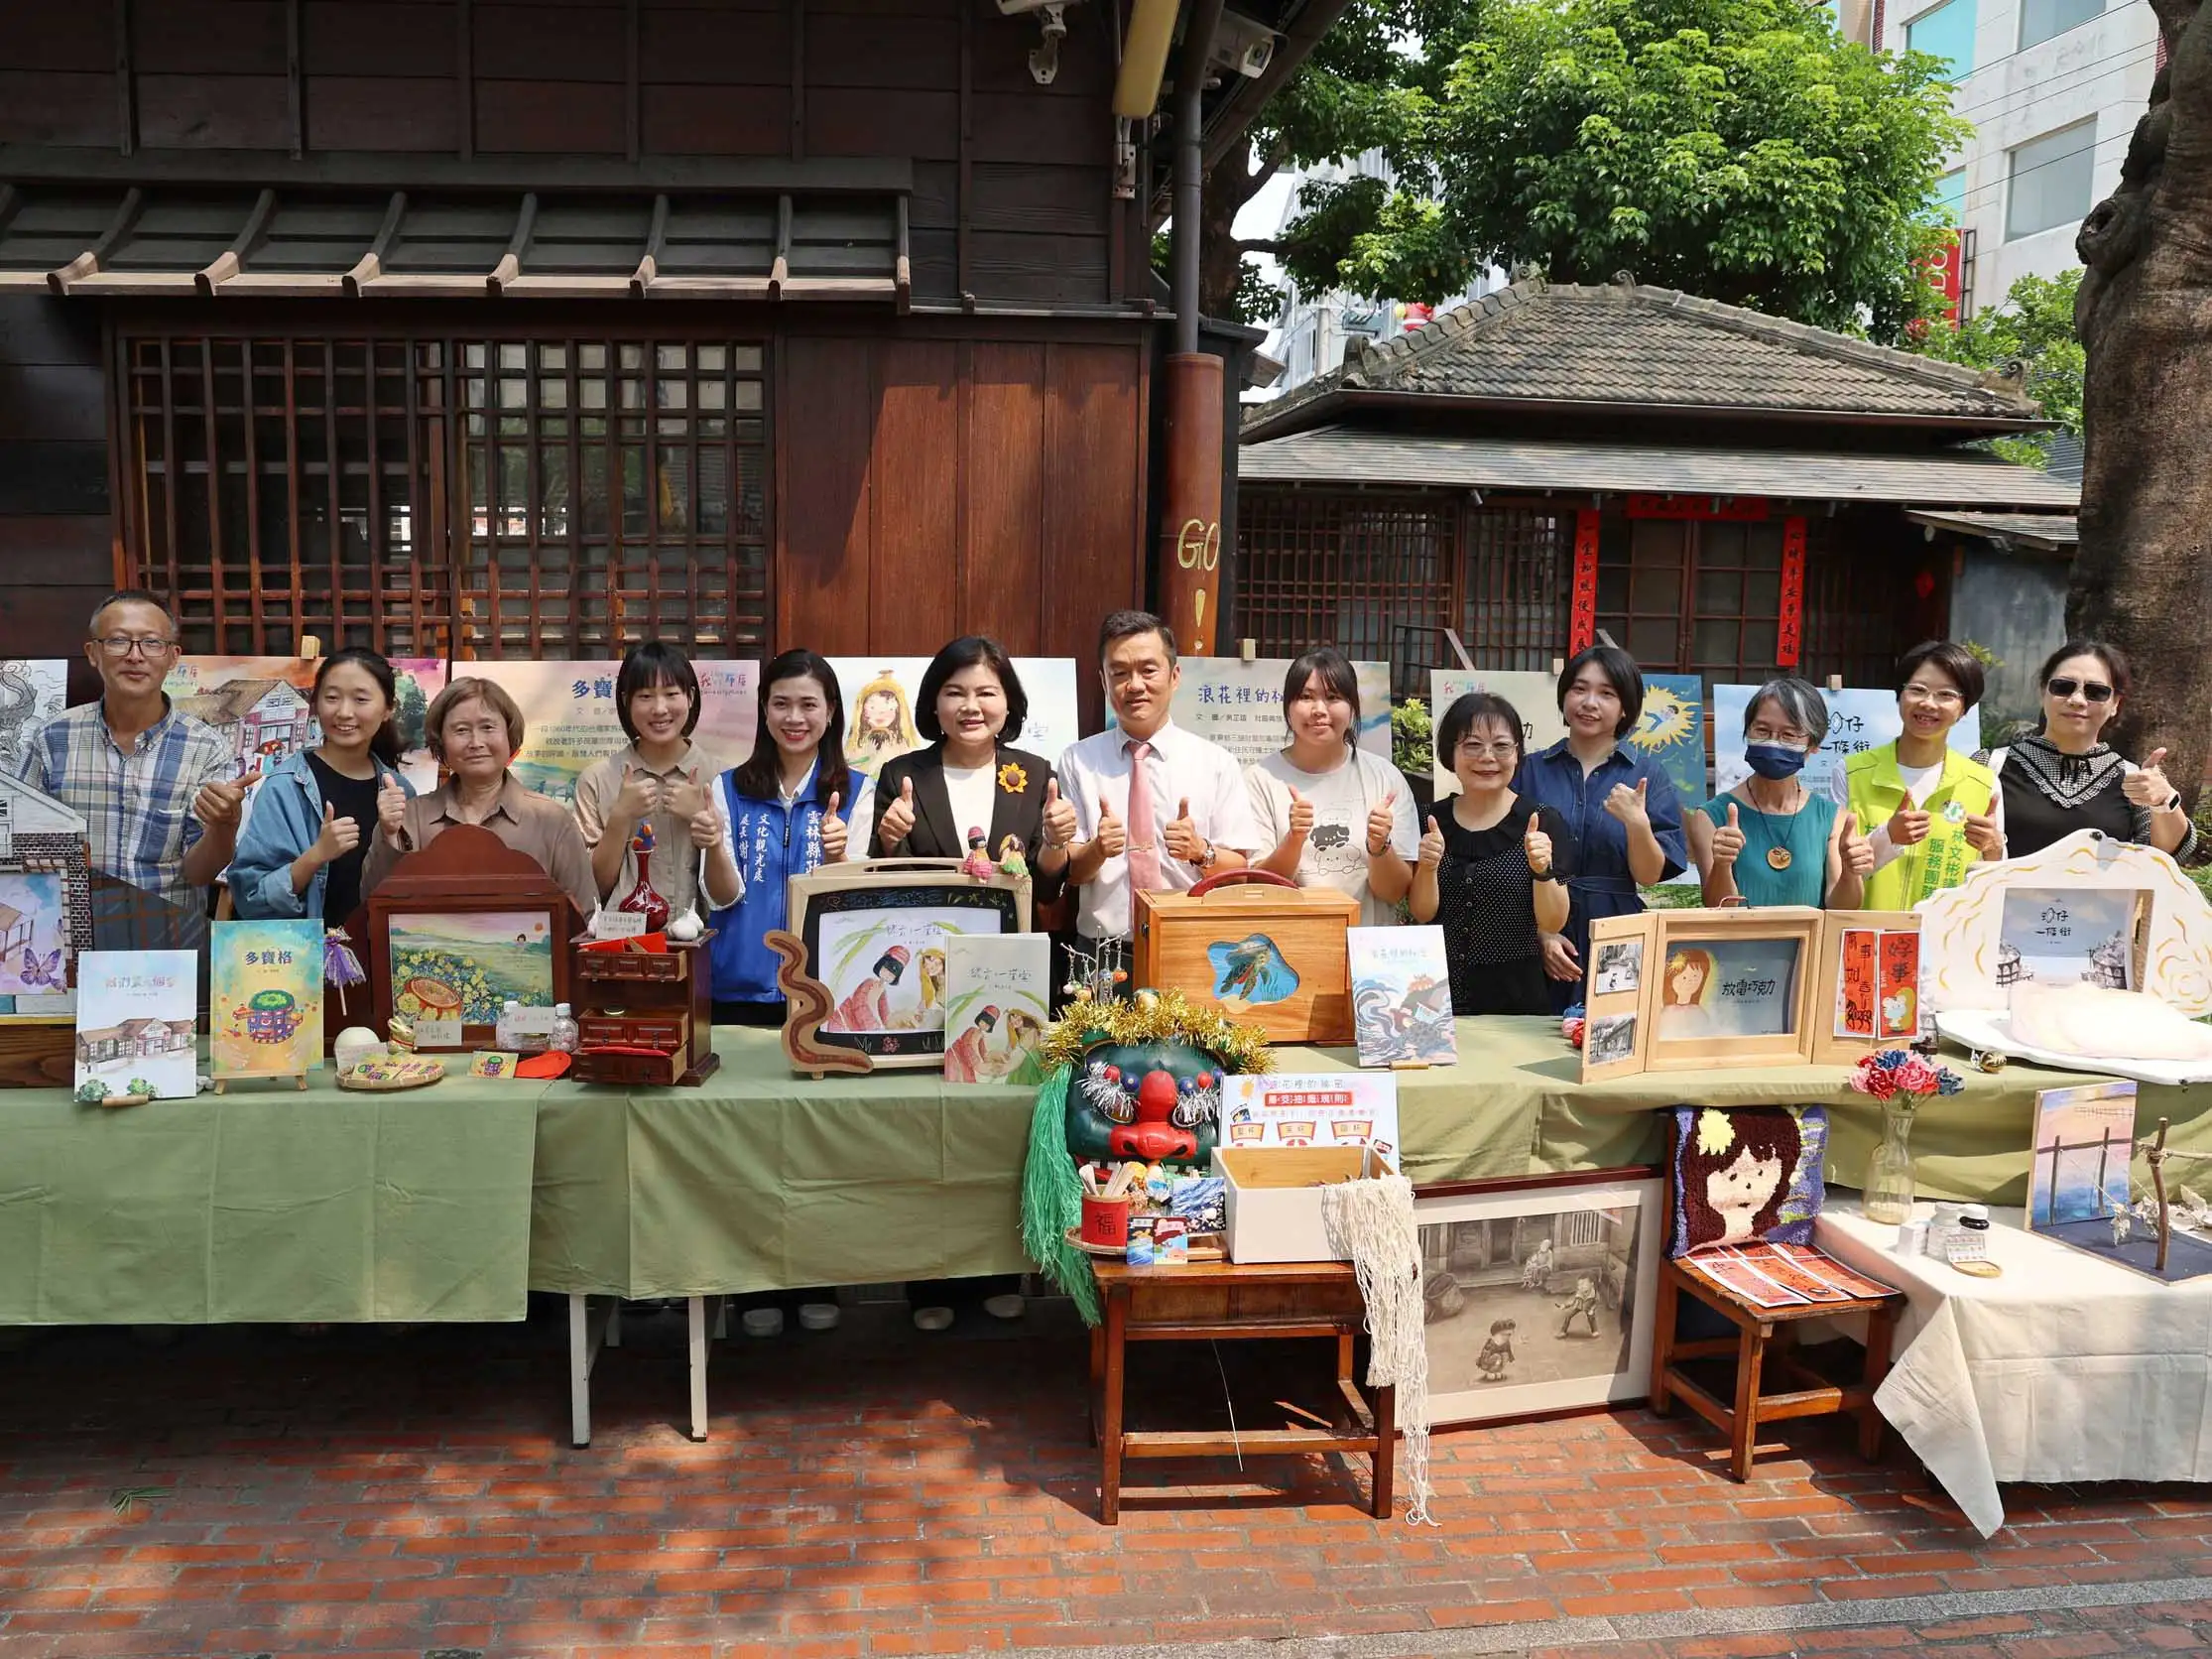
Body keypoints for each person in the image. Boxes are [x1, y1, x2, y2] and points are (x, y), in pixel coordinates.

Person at [10, 590, 245, 950]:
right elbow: (20, 848)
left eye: (152, 642)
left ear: (172, 657)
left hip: (167, 944)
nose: (135, 656)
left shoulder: (206, 747)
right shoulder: (53, 738)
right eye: (118, 641)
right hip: (68, 942)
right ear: (93, 653)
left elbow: (199, 873)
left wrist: (224, 826)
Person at [1051, 610, 1264, 949]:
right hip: (1106, 953)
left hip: (1191, 945)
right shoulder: (1078, 760)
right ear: (1104, 682)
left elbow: (1239, 871)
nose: (1134, 685)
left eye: (1148, 670)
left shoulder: (1215, 763)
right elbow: (1072, 873)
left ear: (1174, 675)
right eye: (1119, 673)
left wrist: (1199, 851)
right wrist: (1098, 850)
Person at [1513, 645, 1686, 1006]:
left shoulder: (1647, 775)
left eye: (1606, 693)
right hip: (1536, 931)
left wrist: (1637, 823)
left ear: (1625, 708)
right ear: (1564, 697)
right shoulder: (1529, 770)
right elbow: (1506, 865)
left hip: (1617, 931)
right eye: (1579, 689)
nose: (1589, 702)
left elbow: (1650, 875)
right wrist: (1540, 934)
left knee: (1611, 1034)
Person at [707, 649, 871, 1024]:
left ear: (830, 712)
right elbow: (722, 895)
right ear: (764, 710)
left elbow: (856, 904)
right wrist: (713, 844)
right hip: (736, 991)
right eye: (781, 704)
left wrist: (837, 858)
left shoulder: (858, 792)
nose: (794, 718)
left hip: (826, 991)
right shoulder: (728, 788)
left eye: (808, 704)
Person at [361, 677, 597, 919]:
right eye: (461, 730)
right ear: (441, 743)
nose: (476, 742)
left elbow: (585, 919)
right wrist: (389, 835)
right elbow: (373, 907)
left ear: (509, 735)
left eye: (488, 727)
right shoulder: (409, 819)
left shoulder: (552, 821)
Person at [866, 636, 1066, 904]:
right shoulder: (900, 775)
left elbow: (1045, 892)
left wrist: (1055, 842)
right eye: (954, 693)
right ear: (934, 704)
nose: (971, 707)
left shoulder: (1037, 775)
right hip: (928, 937)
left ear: (1009, 703)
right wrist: (889, 840)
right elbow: (885, 887)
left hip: (1011, 940)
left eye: (986, 693)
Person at [1410, 692, 1574, 1015]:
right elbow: (1423, 913)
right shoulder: (1430, 820)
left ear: (1517, 754)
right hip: (1435, 994)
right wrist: (1428, 867)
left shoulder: (1541, 821)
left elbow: (1553, 921)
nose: (1487, 757)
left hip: (1516, 999)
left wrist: (1542, 870)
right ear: (1450, 754)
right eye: (1472, 745)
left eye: (1501, 746)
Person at [228, 648, 419, 922]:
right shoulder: (285, 788)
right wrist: (316, 856)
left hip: (376, 955)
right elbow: (251, 898)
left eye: (361, 699)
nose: (344, 712)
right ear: (316, 703)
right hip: (308, 957)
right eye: (331, 698)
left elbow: (408, 893)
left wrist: (391, 836)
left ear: (388, 709)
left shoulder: (400, 791)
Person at [1245, 646, 1419, 927]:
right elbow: (1258, 887)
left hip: (1368, 957)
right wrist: (1294, 839)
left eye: (1333, 697)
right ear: (1288, 706)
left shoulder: (1385, 777)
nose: (1319, 710)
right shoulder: (1260, 778)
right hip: (1287, 953)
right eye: (1305, 697)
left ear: (1352, 708)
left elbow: (1395, 892)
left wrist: (1379, 846)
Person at [571, 642, 743, 924]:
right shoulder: (598, 779)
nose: (660, 708)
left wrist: (705, 821)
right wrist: (620, 816)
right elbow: (592, 891)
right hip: (625, 947)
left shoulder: (721, 778)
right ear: (626, 701)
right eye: (646, 696)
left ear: (689, 697)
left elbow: (729, 895)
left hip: (703, 947)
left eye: (671, 694)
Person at [1986, 640, 2196, 862]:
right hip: (2003, 896)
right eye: (2063, 687)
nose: (2077, 700)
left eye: (2095, 692)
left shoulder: (2133, 780)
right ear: (2043, 692)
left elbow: (2169, 855)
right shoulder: (1989, 766)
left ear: (2115, 703)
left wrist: (2164, 801)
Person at [1833, 641, 2002, 908]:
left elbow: (1991, 894)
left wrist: (1993, 851)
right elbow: (1836, 897)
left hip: (1944, 944)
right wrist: (1887, 837)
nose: (1928, 703)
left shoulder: (1983, 782)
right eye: (1917, 690)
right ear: (1899, 696)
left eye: (1946, 694)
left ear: (1964, 709)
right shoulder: (1852, 772)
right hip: (1868, 942)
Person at [1689, 676, 1874, 909]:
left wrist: (1850, 873)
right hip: (1738, 945)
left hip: (1811, 945)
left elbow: (1842, 909)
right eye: (1762, 730)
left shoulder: (1835, 819)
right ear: (1747, 732)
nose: (1773, 743)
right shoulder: (1710, 817)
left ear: (1814, 744)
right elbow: (1718, 908)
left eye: (1789, 734)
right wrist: (1722, 865)